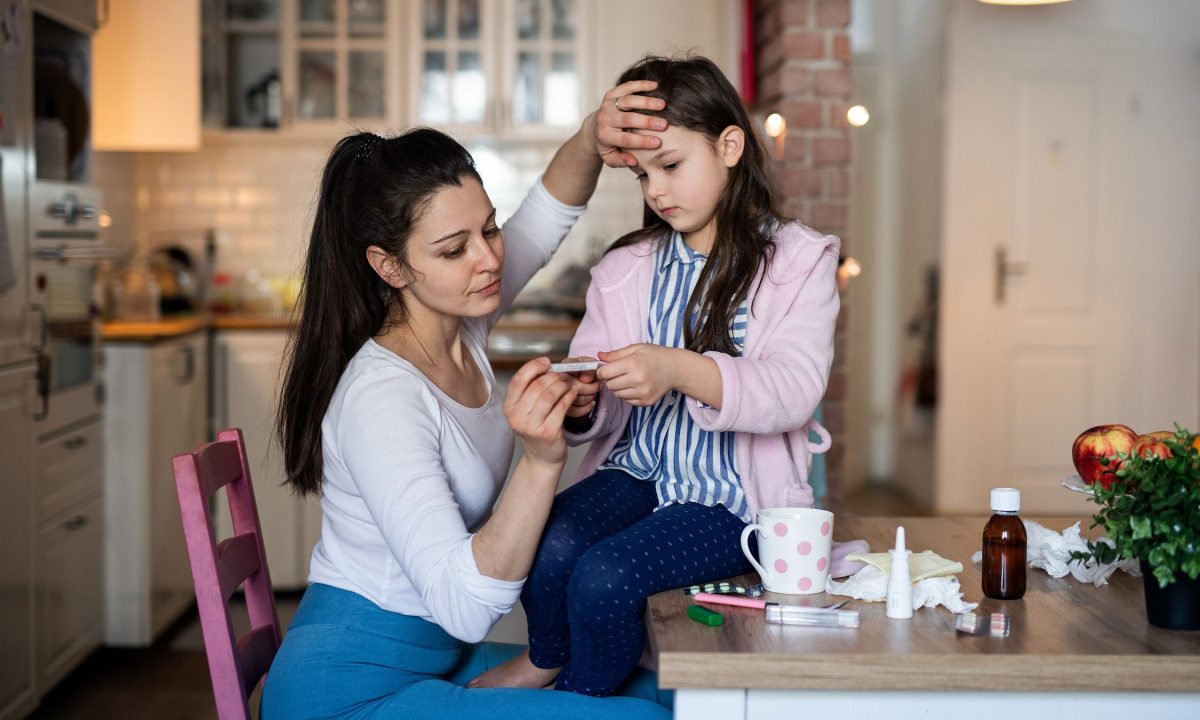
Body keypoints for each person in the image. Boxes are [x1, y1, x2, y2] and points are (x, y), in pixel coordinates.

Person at [261, 81, 676, 719]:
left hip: (435, 662)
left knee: (674, 690)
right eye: (454, 249)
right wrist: (542, 461)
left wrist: (597, 131)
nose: (487, 258)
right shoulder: (382, 399)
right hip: (346, 692)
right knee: (647, 716)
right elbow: (462, 602)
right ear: (390, 266)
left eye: (487, 228)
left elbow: (543, 217)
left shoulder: (462, 322)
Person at [471, 55, 863, 697]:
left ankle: (586, 698)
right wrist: (582, 401)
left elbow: (792, 391)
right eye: (642, 174)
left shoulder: (798, 261)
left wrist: (678, 368)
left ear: (729, 146)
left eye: (672, 165)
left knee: (604, 577)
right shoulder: (628, 264)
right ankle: (547, 657)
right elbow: (602, 404)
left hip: (730, 498)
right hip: (639, 472)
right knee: (549, 541)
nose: (656, 190)